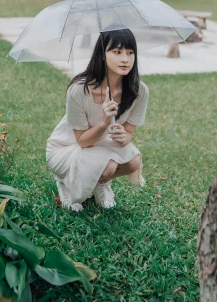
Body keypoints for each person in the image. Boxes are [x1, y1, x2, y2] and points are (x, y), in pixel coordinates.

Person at [46, 28, 149, 212]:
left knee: (133, 162)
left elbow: (129, 132)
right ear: (102, 54)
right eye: (117, 52)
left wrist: (123, 136)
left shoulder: (139, 90)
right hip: (68, 147)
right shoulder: (78, 90)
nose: (125, 59)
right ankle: (67, 184)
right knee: (109, 166)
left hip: (102, 146)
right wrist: (103, 123)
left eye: (130, 52)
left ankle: (100, 183)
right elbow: (82, 141)